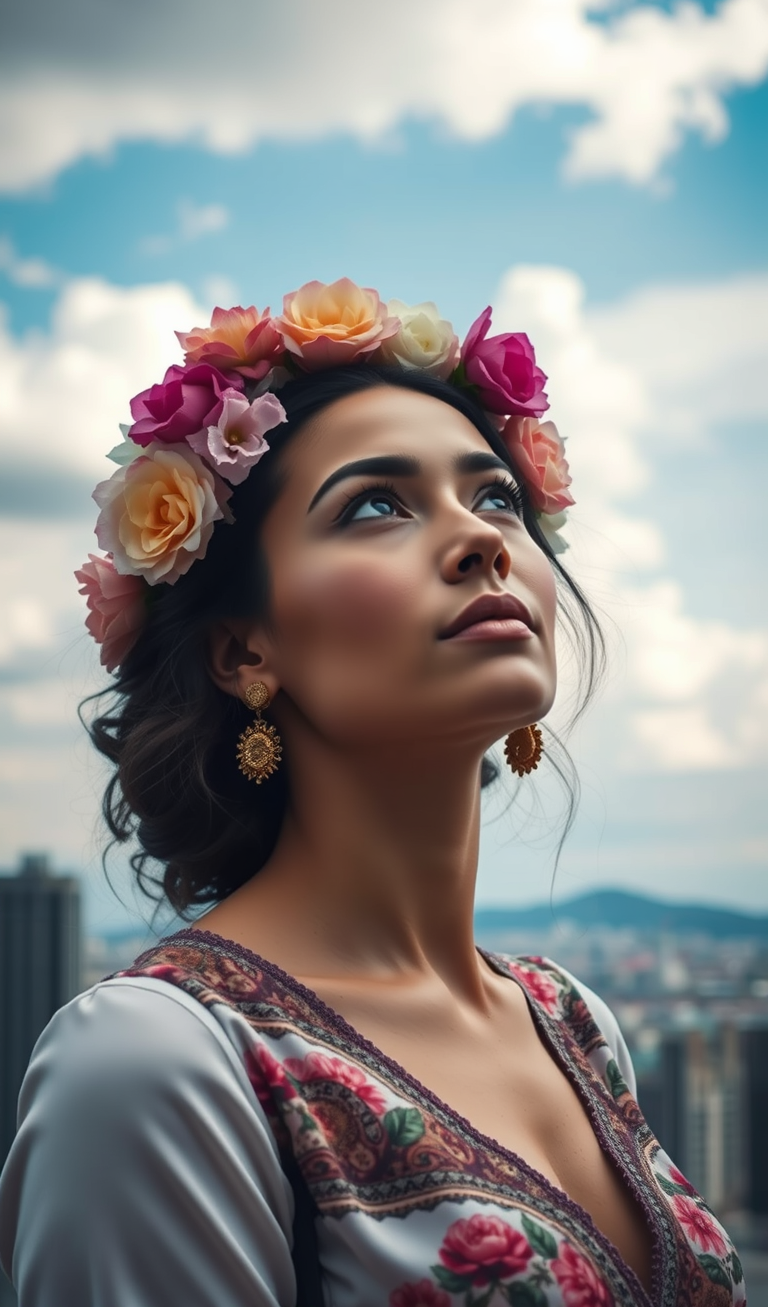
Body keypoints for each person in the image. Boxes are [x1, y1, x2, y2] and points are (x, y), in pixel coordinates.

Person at [0, 280, 744, 1306]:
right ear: (242, 648)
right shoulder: (156, 1067)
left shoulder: (574, 1023)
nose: (483, 539)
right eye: (376, 505)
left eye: (498, 498)